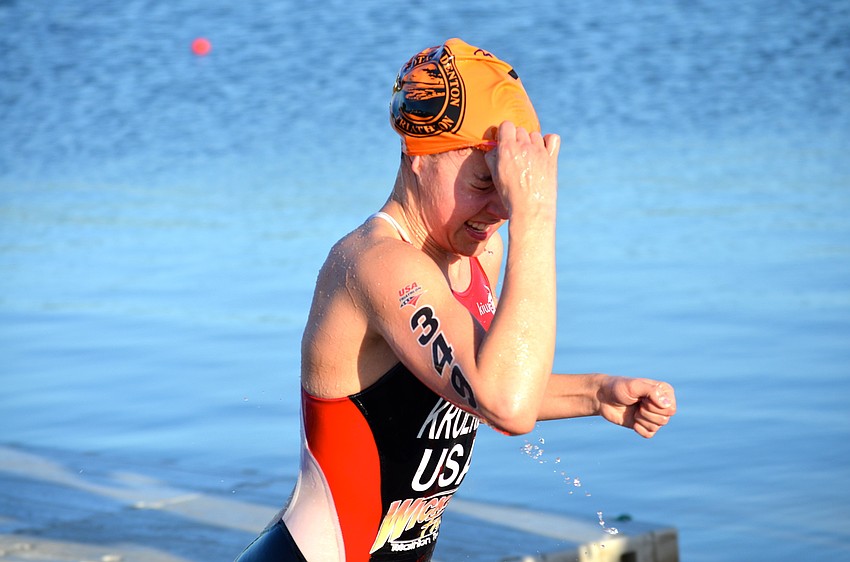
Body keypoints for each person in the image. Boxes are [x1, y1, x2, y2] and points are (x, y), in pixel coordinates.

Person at [236, 37, 677, 562]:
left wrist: (595, 394)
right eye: (483, 183)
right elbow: (506, 407)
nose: (501, 211)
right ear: (417, 157)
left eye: (511, 190)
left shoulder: (476, 259)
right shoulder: (378, 265)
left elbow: (479, 385)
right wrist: (537, 218)